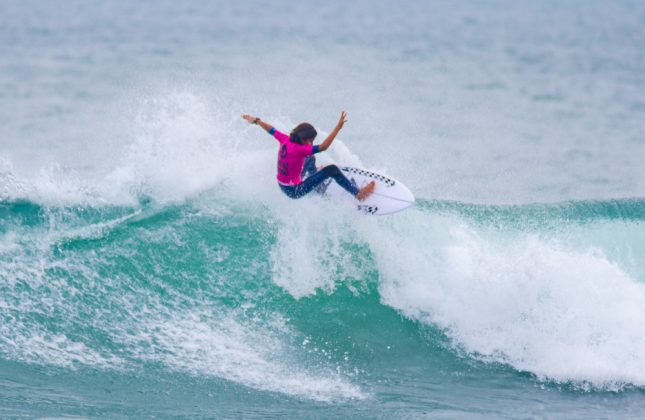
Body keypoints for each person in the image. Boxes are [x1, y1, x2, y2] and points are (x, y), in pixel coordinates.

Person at [241, 111, 375, 201]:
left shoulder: (285, 139)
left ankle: (318, 183)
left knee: (310, 158)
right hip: (294, 190)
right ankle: (358, 194)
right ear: (303, 140)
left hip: (283, 184)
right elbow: (323, 147)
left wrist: (256, 121)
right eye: (310, 140)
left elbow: (271, 129)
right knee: (331, 169)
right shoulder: (300, 150)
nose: (311, 143)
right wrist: (338, 127)